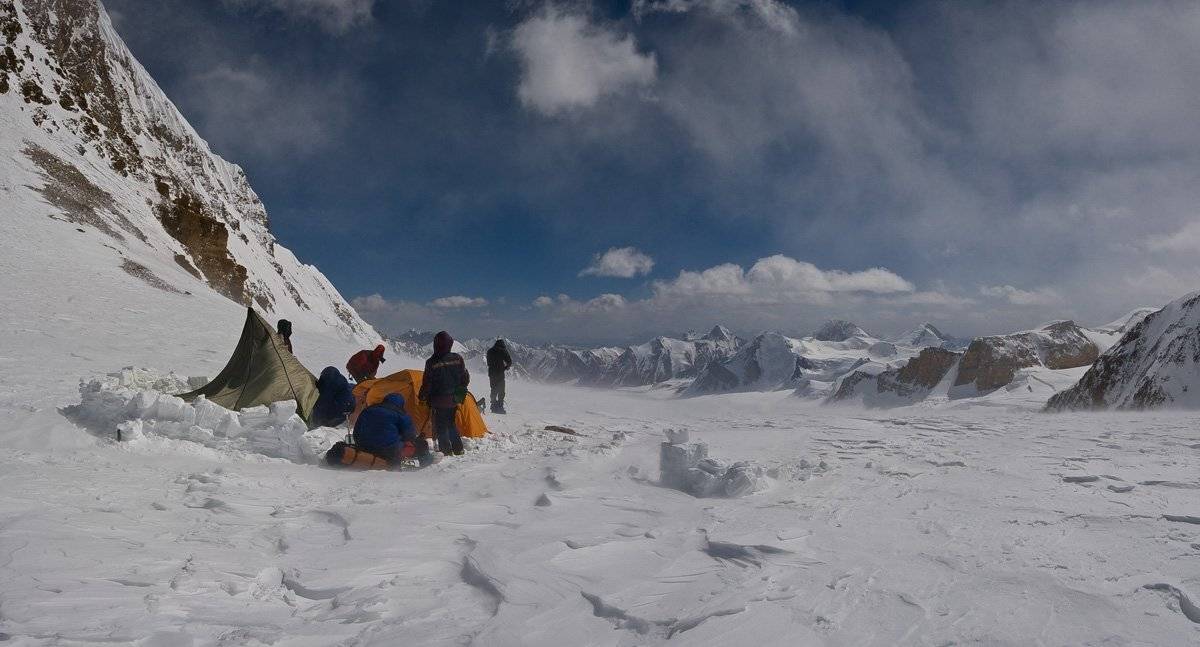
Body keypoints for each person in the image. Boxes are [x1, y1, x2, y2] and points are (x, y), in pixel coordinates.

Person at [418, 331, 469, 456]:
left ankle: (446, 450)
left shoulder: (431, 362)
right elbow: (465, 378)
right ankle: (458, 448)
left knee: (441, 425)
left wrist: (422, 396)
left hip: (438, 400)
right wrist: (459, 392)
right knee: (451, 423)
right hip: (454, 399)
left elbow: (427, 383)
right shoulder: (458, 358)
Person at [352, 393, 433, 467]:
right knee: (421, 445)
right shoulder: (401, 414)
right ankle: (426, 460)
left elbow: (356, 431)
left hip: (363, 447)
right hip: (389, 450)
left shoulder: (367, 410)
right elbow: (410, 436)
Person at [485, 339, 513, 414]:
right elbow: (509, 361)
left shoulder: (489, 351)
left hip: (491, 373)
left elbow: (488, 363)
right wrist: (505, 368)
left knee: (493, 389)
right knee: (501, 390)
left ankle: (493, 405)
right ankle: (500, 406)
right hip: (500, 373)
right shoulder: (503, 350)